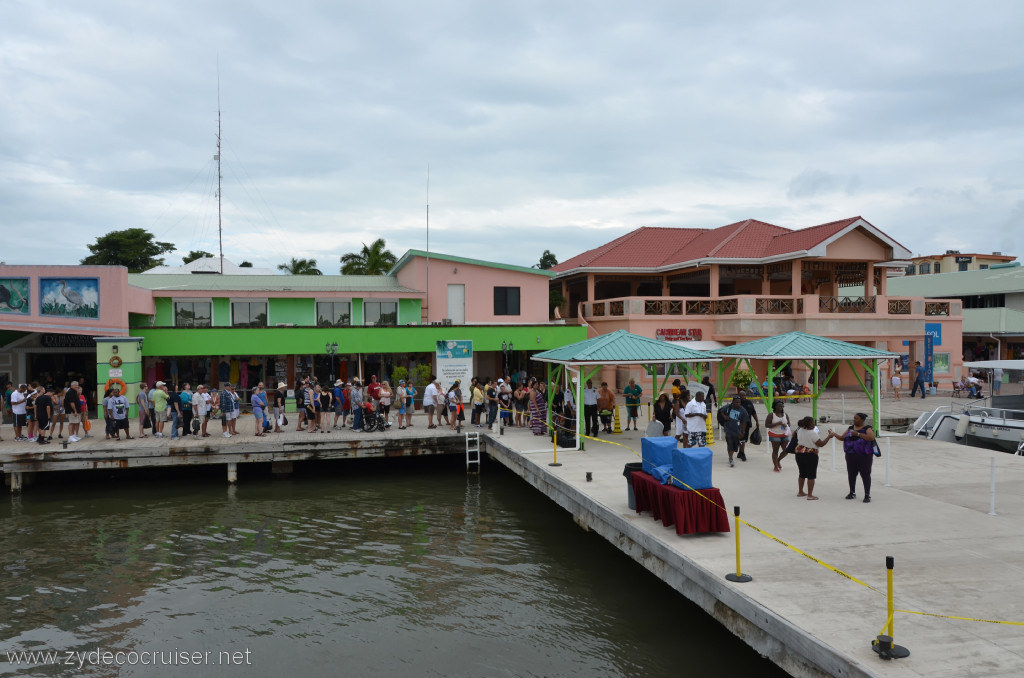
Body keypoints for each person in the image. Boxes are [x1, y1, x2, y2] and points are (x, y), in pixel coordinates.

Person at [793, 416, 836, 500]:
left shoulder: (800, 430)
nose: (814, 424)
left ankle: (800, 491)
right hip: (810, 455)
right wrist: (829, 436)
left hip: (799, 453)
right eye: (812, 423)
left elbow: (794, 434)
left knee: (802, 473)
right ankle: (810, 495)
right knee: (811, 475)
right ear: (808, 424)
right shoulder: (812, 433)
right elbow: (821, 444)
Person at [839, 412, 876, 503]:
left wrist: (858, 434)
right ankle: (852, 492)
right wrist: (833, 434)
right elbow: (842, 437)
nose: (854, 420)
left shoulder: (867, 428)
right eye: (854, 418)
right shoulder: (850, 428)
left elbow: (871, 438)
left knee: (865, 474)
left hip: (864, 455)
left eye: (856, 418)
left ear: (862, 420)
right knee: (851, 473)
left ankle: (867, 494)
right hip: (850, 455)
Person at [717, 396, 750, 467]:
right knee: (730, 443)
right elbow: (721, 411)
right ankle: (730, 458)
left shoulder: (742, 410)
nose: (738, 404)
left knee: (735, 445)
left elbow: (744, 422)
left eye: (739, 402)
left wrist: (742, 432)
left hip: (737, 430)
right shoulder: (728, 407)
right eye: (736, 402)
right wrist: (724, 416)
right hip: (728, 429)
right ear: (733, 402)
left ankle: (733, 454)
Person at [765, 401, 791, 473]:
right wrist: (777, 424)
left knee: (786, 450)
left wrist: (786, 425)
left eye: (782, 406)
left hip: (784, 434)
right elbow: (767, 425)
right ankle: (775, 466)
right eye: (779, 406)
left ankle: (778, 460)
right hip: (774, 434)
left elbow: (789, 424)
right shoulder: (771, 415)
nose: (781, 408)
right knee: (775, 451)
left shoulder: (785, 414)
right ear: (775, 407)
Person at [738, 394, 759, 462]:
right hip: (738, 425)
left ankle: (740, 452)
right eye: (742, 396)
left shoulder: (749, 403)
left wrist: (757, 421)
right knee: (742, 439)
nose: (743, 397)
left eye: (744, 395)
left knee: (744, 439)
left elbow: (753, 412)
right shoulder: (737, 403)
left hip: (747, 424)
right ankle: (742, 453)